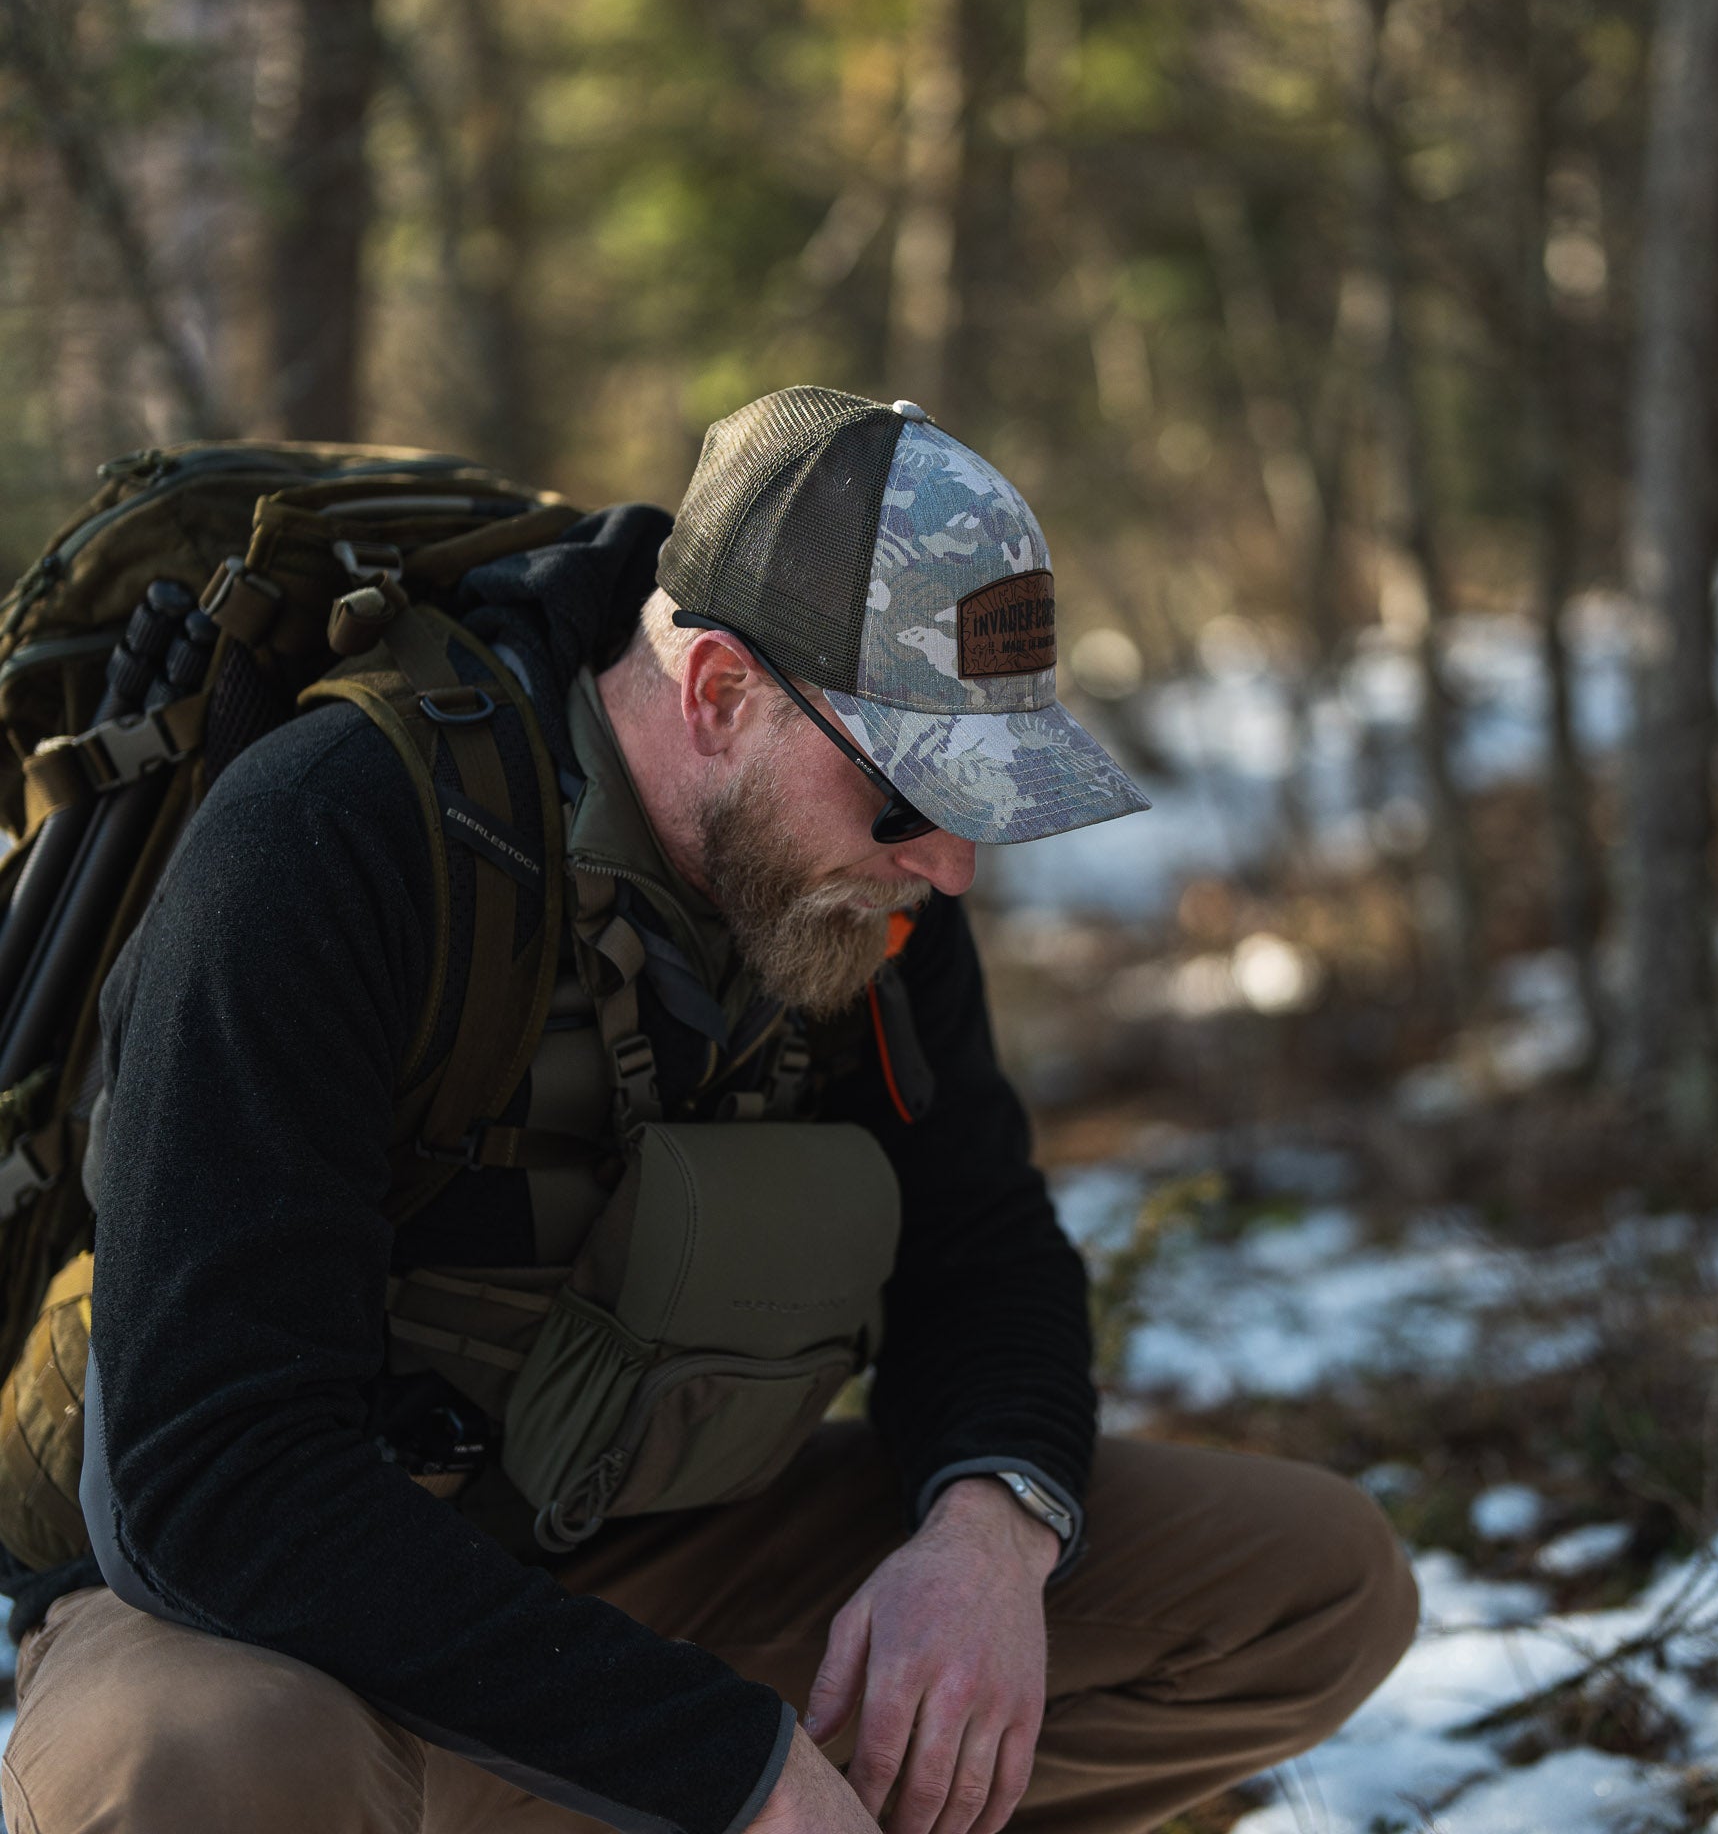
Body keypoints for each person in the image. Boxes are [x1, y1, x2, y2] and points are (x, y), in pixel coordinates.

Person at [0, 388, 1418, 1834]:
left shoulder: (866, 886)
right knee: (189, 1774)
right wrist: (721, 1764)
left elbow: (979, 1247)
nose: (955, 868)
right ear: (719, 692)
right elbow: (214, 1481)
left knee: (1313, 1585)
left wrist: (992, 1523)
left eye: (982, 808)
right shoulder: (331, 836)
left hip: (642, 1566)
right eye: (913, 796)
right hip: (275, 1622)